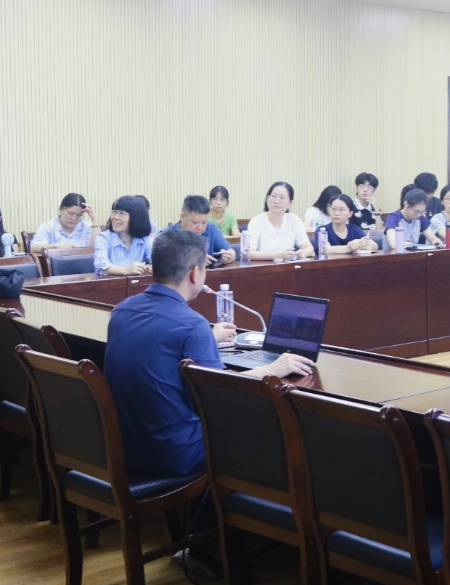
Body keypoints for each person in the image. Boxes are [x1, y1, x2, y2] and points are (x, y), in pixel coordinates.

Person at [105, 228, 310, 482]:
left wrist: (207, 339)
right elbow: (220, 394)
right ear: (195, 273)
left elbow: (158, 348)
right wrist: (273, 369)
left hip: (124, 449)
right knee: (271, 425)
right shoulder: (192, 325)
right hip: (177, 455)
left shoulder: (122, 311)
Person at [245, 181, 314, 261]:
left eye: (282, 197)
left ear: (291, 203)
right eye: (273, 196)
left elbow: (309, 248)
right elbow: (248, 253)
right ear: (267, 198)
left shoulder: (294, 220)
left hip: (287, 266)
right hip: (264, 266)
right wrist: (278, 255)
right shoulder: (257, 221)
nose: (277, 201)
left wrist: (301, 253)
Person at [166, 195, 235, 265]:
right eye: (195, 222)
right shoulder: (167, 236)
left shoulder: (211, 228)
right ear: (182, 216)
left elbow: (232, 253)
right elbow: (161, 264)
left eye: (204, 222)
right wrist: (195, 261)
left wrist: (228, 257)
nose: (200, 227)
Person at [93, 195, 153, 276]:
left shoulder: (145, 239)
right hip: (111, 283)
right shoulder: (103, 238)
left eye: (122, 213)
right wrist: (126, 270)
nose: (115, 217)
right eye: (114, 212)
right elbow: (101, 266)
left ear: (136, 218)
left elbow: (158, 261)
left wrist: (154, 268)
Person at [31, 193, 97, 252]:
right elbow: (34, 247)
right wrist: (56, 246)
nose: (74, 218)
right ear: (61, 209)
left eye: (79, 215)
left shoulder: (87, 226)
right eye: (70, 214)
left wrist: (95, 219)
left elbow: (98, 247)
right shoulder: (48, 226)